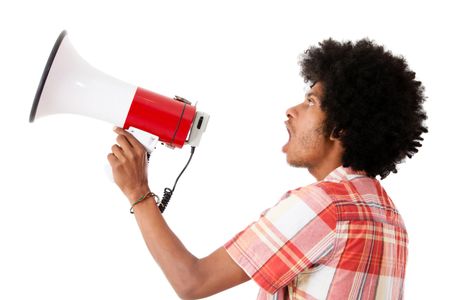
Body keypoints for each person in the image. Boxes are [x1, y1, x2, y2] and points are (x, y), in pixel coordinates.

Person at [107, 38, 427, 299]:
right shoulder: (389, 216)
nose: (291, 110)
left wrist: (138, 192)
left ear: (341, 129)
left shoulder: (324, 205)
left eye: (311, 102)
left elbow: (193, 281)